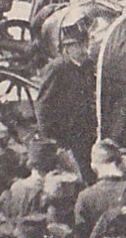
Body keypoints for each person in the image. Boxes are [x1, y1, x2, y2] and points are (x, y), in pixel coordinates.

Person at [37, 20, 98, 179]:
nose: (85, 49)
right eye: (79, 45)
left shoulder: (87, 65)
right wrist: (48, 140)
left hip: (84, 130)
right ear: (68, 48)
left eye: (85, 44)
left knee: (85, 170)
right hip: (64, 133)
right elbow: (43, 105)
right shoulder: (57, 68)